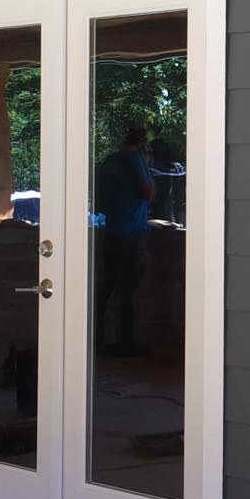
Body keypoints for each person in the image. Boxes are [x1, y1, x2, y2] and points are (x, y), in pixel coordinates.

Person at [94, 127, 155, 356]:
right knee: (128, 291)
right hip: (131, 235)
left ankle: (96, 341)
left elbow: (99, 205)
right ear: (141, 145)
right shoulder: (134, 159)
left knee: (106, 289)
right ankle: (125, 344)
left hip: (109, 235)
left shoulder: (108, 162)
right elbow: (148, 192)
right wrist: (146, 166)